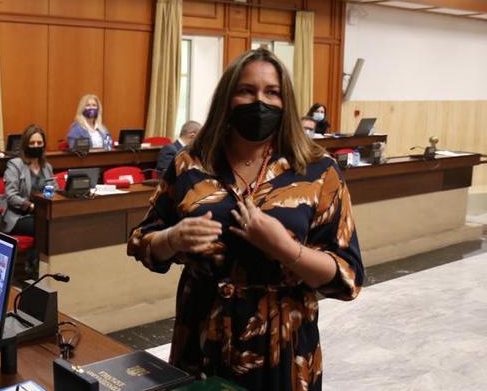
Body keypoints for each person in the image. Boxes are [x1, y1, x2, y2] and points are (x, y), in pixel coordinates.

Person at [128, 48, 364, 391]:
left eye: (272, 92)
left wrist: (285, 249)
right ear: (227, 98)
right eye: (246, 91)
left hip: (281, 345)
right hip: (201, 337)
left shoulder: (318, 170)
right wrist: (172, 239)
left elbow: (348, 277)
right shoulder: (189, 165)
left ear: (287, 102)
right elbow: (140, 241)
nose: (259, 102)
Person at [0, 124, 55, 236]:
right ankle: (36, 254)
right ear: (25, 145)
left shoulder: (46, 167)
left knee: (57, 224)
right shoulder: (15, 165)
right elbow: (11, 196)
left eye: (39, 143)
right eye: (32, 143)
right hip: (18, 216)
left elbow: (54, 189)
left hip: (41, 214)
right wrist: (31, 206)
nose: (36, 146)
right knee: (43, 227)